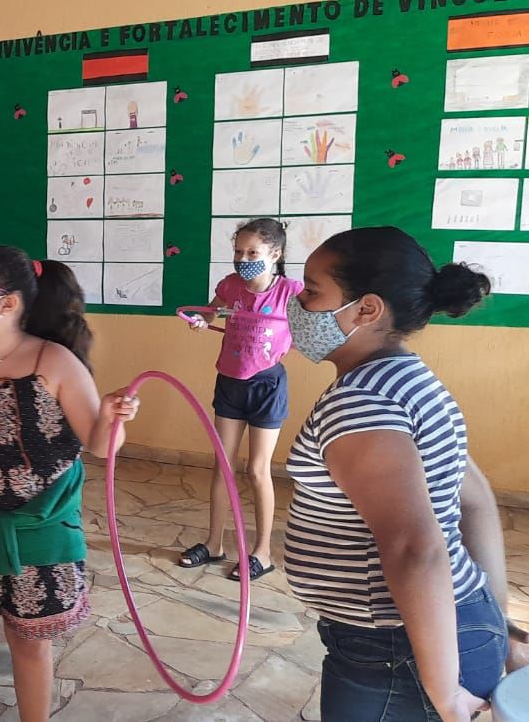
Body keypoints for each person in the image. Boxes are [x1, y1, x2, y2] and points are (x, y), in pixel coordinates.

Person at [276, 227, 507, 720]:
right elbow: (476, 499)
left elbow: (413, 548)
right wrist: (497, 626)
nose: (299, 303)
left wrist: (444, 693)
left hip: (396, 650)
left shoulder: (362, 402)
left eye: (313, 291)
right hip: (446, 625)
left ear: (366, 309)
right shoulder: (406, 380)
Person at [0, 249, 137, 722]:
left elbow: (99, 444)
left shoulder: (56, 363)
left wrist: (114, 416)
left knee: (29, 641)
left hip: (41, 528)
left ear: (9, 303)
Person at [178, 218, 302, 581]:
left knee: (257, 470)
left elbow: (316, 322)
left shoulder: (291, 291)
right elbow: (212, 311)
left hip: (267, 386)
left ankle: (262, 552)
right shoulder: (231, 286)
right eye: (238, 251)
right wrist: (202, 320)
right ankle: (214, 545)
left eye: (252, 252)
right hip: (230, 382)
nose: (243, 258)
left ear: (275, 254)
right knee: (223, 465)